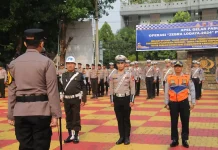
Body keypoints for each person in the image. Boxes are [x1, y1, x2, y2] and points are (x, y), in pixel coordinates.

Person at [7, 29, 62, 150]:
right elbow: (52, 91)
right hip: (41, 111)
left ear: (25, 44)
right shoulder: (47, 63)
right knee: (41, 146)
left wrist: (10, 115)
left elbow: (11, 92)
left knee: (25, 146)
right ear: (41, 43)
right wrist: (55, 115)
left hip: (20, 112)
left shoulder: (13, 64)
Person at [164, 60, 196, 148]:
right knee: (174, 122)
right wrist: (166, 103)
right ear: (174, 68)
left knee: (185, 121)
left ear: (182, 68)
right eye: (176, 66)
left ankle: (184, 139)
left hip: (184, 102)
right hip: (173, 103)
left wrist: (193, 102)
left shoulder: (187, 77)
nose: (177, 68)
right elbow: (166, 91)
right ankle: (175, 140)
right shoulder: (169, 77)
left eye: (179, 66)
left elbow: (192, 90)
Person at [59, 56, 87, 144]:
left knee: (76, 117)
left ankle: (76, 135)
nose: (70, 65)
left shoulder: (79, 75)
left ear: (74, 65)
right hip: (66, 100)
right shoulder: (62, 75)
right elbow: (60, 88)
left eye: (71, 64)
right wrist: (60, 98)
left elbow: (84, 87)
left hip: (76, 99)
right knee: (68, 117)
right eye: (68, 64)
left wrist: (83, 99)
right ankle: (70, 134)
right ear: (66, 65)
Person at [109, 55, 135, 145]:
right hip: (117, 99)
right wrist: (111, 100)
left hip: (126, 99)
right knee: (119, 119)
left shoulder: (129, 74)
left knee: (126, 119)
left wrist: (132, 100)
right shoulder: (113, 75)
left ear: (124, 64)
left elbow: (132, 88)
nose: (120, 65)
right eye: (118, 63)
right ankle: (121, 137)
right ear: (116, 64)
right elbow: (111, 88)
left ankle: (127, 137)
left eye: (122, 63)